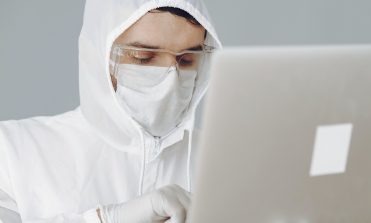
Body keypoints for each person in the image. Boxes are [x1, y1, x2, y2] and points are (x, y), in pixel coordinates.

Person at [0, 0, 222, 222]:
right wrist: (108, 219)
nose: (171, 80)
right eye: (143, 58)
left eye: (187, 60)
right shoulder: (13, 153)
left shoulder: (222, 162)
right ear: (100, 53)